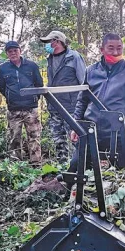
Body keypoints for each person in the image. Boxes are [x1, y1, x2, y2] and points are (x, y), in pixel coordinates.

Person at [70, 33, 125, 171]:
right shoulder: (91, 71)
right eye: (111, 48)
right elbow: (82, 100)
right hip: (91, 128)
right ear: (102, 49)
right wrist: (76, 125)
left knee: (121, 173)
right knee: (77, 167)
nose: (115, 52)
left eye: (119, 48)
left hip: (118, 131)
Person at [40, 30, 86, 163]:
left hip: (71, 107)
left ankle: (78, 167)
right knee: (58, 140)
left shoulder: (74, 57)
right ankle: (62, 166)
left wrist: (83, 106)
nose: (47, 45)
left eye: (49, 42)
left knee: (75, 139)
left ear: (57, 41)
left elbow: (84, 82)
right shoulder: (50, 59)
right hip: (54, 106)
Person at [0, 41, 44, 165]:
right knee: (14, 138)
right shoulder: (3, 68)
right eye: (10, 51)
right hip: (13, 109)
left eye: (15, 50)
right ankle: (16, 164)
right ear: (7, 54)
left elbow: (39, 84)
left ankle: (36, 163)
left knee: (34, 137)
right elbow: (2, 87)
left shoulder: (31, 66)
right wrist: (11, 98)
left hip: (31, 108)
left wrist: (34, 99)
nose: (13, 53)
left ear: (20, 50)